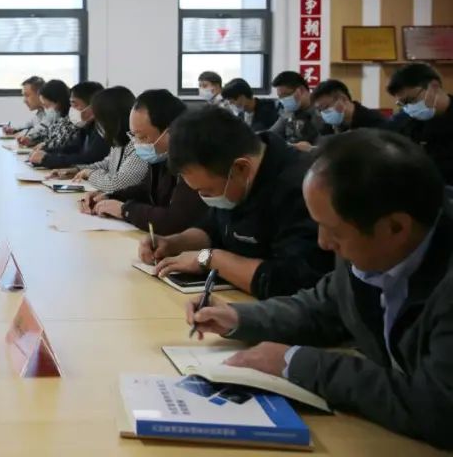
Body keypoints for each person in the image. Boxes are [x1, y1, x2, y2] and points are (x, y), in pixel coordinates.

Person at [187, 130, 453, 450]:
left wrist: (296, 362)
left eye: (332, 230)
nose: (323, 243)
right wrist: (238, 317)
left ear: (395, 227)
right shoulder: (366, 246)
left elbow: (437, 408)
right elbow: (322, 306)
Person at [138, 106, 332, 298]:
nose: (204, 197)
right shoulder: (232, 174)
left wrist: (209, 259)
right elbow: (213, 228)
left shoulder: (303, 189)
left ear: (241, 168)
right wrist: (174, 243)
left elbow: (291, 282)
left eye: (207, 191)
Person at [89, 90, 206, 234]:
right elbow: (144, 190)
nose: (137, 144)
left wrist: (125, 210)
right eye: (134, 136)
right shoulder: (161, 156)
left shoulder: (194, 163)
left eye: (143, 137)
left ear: (171, 132)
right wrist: (108, 196)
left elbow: (174, 221)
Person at [61, 86, 148, 200]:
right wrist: (78, 170)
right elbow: (107, 163)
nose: (98, 124)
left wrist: (89, 174)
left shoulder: (139, 145)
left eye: (100, 119)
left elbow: (116, 184)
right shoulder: (118, 140)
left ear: (112, 119)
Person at [387, 62, 453, 184]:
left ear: (434, 86)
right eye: (403, 104)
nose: (409, 108)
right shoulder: (408, 123)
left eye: (411, 100)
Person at [31, 81, 109, 169]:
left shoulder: (104, 128)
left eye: (75, 104)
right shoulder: (87, 125)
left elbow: (90, 158)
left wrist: (48, 159)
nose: (72, 110)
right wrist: (45, 152)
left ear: (93, 105)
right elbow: (74, 148)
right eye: (71, 105)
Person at [311, 79, 386, 136]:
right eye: (320, 110)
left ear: (343, 99)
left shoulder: (374, 122)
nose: (324, 114)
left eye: (326, 107)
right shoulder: (329, 127)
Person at [270, 70, 320, 149]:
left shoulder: (322, 111)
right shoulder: (288, 112)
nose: (283, 100)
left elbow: (328, 145)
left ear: (301, 90)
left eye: (286, 95)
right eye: (280, 97)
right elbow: (271, 135)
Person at [29, 79, 76, 152]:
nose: (46, 109)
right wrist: (31, 139)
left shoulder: (72, 118)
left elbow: (62, 142)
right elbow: (48, 132)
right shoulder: (59, 117)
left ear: (57, 101)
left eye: (47, 106)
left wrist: (45, 145)